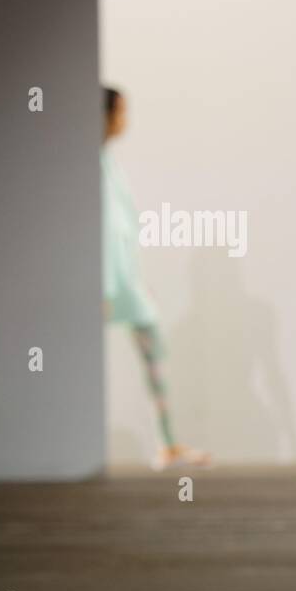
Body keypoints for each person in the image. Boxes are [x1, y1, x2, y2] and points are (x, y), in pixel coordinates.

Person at [101, 87, 211, 471]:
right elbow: (102, 228)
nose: (125, 120)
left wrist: (133, 279)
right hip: (105, 281)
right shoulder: (90, 164)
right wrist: (106, 286)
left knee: (152, 349)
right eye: (120, 112)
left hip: (123, 278)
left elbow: (121, 229)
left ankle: (167, 442)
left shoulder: (108, 162)